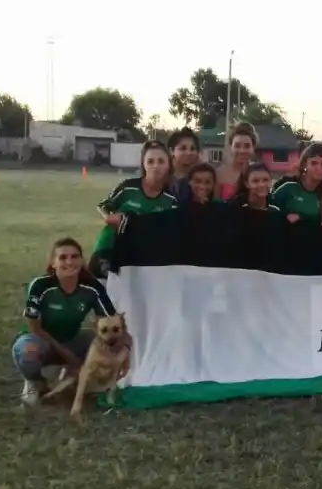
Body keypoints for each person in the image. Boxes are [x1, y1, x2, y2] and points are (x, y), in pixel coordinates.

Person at [12, 238, 120, 406]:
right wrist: (65, 353)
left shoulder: (92, 286)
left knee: (104, 344)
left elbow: (110, 320)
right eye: (62, 258)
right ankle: (35, 382)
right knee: (27, 351)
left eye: (74, 256)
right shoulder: (40, 285)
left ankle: (73, 375)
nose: (69, 262)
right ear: (53, 263)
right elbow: (34, 327)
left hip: (72, 338)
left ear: (81, 260)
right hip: (39, 339)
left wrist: (120, 347)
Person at [90, 141, 177, 277]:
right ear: (143, 164)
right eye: (150, 161)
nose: (155, 166)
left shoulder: (170, 200)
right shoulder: (127, 187)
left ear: (168, 165)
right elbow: (102, 206)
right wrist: (108, 217)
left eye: (161, 161)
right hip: (108, 249)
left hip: (141, 258)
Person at [271, 143, 322, 223]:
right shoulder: (289, 186)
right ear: (305, 165)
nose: (318, 168)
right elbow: (269, 207)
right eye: (314, 163)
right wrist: (285, 217)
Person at [215, 124, 257, 200]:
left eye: (247, 146)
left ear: (253, 148)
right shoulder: (218, 174)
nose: (242, 150)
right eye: (237, 146)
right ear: (230, 147)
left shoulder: (258, 172)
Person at [168, 127, 201, 201]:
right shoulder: (162, 180)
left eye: (192, 149)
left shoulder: (202, 181)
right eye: (183, 148)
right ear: (171, 151)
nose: (189, 153)